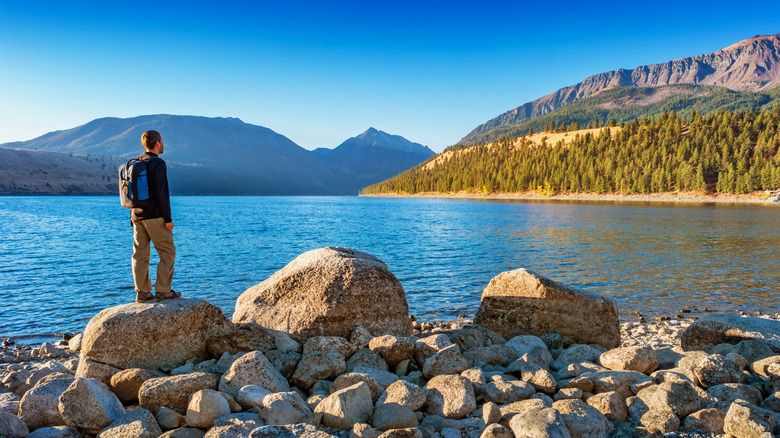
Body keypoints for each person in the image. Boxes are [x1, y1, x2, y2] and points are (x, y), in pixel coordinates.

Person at [130, 130, 180, 302]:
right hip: (154, 216)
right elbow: (162, 193)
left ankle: (142, 292)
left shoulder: (135, 162)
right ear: (158, 143)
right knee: (167, 252)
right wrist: (168, 219)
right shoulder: (158, 163)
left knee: (140, 255)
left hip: (136, 215)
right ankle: (163, 291)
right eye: (162, 141)